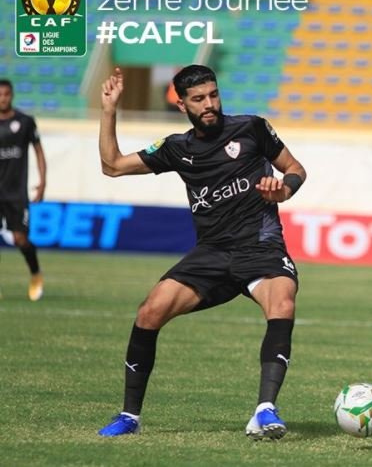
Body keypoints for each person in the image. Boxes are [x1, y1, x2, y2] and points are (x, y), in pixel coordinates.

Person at [96, 65, 307, 440]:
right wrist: (110, 110)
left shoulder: (253, 128)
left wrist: (284, 189)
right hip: (211, 253)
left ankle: (264, 410)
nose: (209, 104)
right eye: (198, 99)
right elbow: (112, 166)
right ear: (182, 105)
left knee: (283, 303)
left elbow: (294, 168)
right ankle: (129, 416)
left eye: (213, 95)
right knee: (150, 311)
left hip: (260, 245)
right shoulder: (177, 148)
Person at [0, 78, 46, 301]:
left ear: (12, 95)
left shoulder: (25, 121)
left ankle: (35, 274)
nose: (3, 98)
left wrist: (42, 182)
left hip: (16, 193)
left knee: (20, 239)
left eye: (6, 94)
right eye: (0, 94)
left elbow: (38, 151)